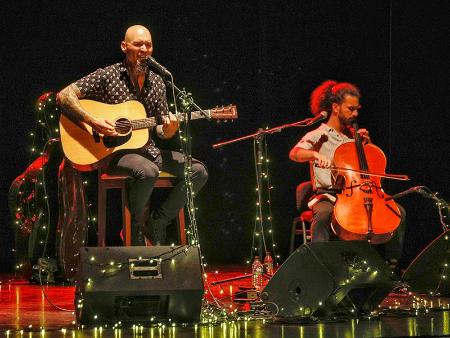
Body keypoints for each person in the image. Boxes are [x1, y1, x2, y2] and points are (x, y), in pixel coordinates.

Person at [57, 25, 208, 246]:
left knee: (198, 171)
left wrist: (169, 129)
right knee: (147, 172)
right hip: (112, 152)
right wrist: (93, 121)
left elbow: (159, 129)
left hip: (147, 149)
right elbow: (64, 96)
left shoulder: (158, 82)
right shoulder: (107, 75)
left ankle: (158, 221)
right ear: (124, 46)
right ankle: (136, 226)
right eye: (138, 44)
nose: (144, 49)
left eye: (148, 44)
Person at [289, 80, 405, 270]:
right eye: (351, 109)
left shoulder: (353, 138)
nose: (355, 114)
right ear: (335, 107)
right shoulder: (320, 134)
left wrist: (367, 145)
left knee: (397, 212)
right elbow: (295, 153)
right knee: (324, 215)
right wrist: (314, 154)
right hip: (328, 194)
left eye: (357, 109)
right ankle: (319, 266)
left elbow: (369, 171)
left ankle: (392, 267)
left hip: (357, 194)